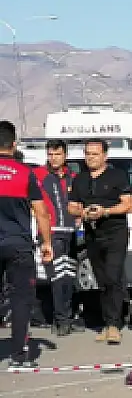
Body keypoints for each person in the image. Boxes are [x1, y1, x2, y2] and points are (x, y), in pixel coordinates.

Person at [68, 138, 132, 345]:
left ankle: (114, 324)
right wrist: (83, 212)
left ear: (105, 155)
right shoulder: (80, 178)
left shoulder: (117, 176)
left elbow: (127, 204)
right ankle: (108, 323)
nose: (90, 157)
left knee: (114, 277)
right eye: (87, 153)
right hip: (92, 234)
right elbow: (71, 206)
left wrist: (105, 211)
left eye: (95, 154)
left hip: (115, 233)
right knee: (102, 280)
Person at [0, 121, 53, 365]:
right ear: (14, 144)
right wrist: (47, 242)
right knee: (21, 298)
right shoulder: (26, 173)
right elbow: (41, 212)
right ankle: (19, 354)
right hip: (18, 245)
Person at [33, 140, 79, 336]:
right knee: (57, 277)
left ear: (65, 155)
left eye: (57, 154)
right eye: (50, 154)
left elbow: (80, 203)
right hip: (50, 233)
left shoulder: (74, 177)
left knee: (69, 277)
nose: (53, 158)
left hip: (71, 233)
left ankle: (67, 317)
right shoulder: (38, 176)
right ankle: (60, 321)